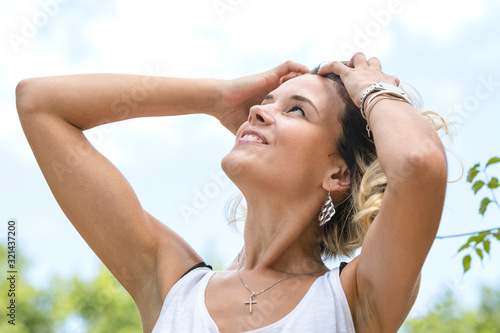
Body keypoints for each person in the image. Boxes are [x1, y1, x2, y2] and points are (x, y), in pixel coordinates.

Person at [16, 52, 448, 332]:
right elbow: (39, 103)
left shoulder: (357, 299)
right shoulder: (172, 285)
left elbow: (418, 164)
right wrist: (217, 97)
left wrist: (372, 87)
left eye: (296, 109)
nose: (259, 109)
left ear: (338, 174)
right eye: (267, 101)